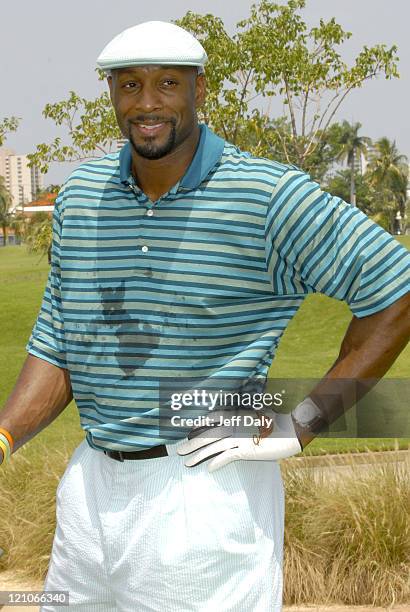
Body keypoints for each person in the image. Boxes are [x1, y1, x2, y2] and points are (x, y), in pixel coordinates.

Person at [0, 19, 409, 612]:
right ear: (111, 93)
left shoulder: (269, 195)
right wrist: (5, 434)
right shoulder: (82, 194)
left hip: (201, 489)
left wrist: (302, 426)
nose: (147, 102)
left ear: (200, 89)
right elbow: (60, 339)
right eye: (129, 85)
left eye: (167, 83)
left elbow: (396, 292)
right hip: (88, 491)